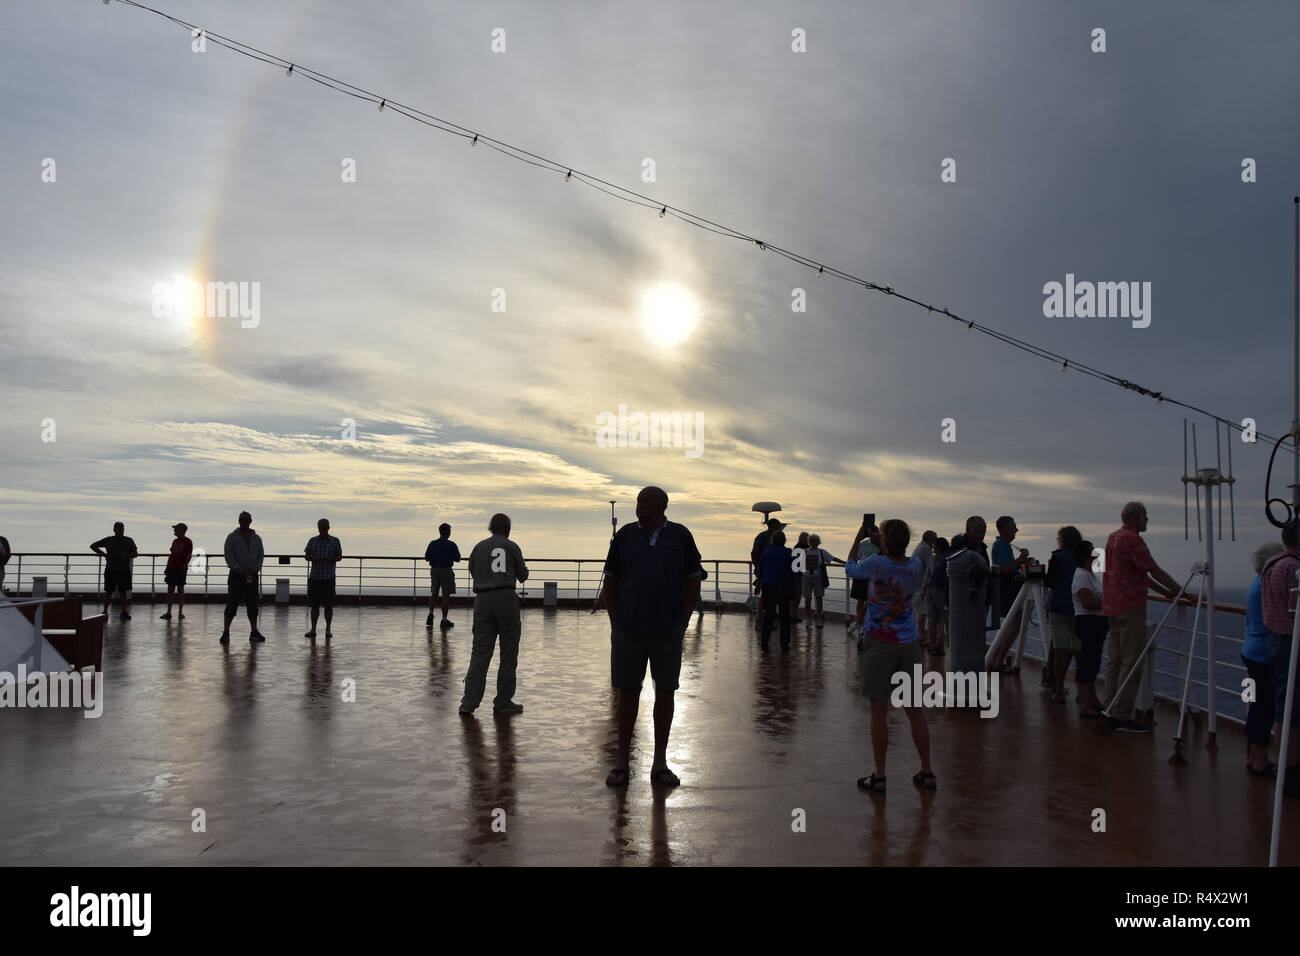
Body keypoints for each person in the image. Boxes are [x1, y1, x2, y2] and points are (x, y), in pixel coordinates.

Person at [599, 486, 702, 787]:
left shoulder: (681, 536)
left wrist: (682, 623)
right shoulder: (625, 537)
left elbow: (693, 581)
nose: (639, 506)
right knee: (626, 696)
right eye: (638, 502)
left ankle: (659, 763)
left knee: (665, 694)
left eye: (646, 502)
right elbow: (611, 582)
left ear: (662, 506)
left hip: (666, 633)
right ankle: (621, 762)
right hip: (628, 632)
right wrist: (616, 623)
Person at [845, 519, 935, 793]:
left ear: (882, 541)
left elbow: (851, 568)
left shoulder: (875, 564)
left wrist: (859, 537)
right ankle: (927, 771)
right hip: (908, 642)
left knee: (878, 709)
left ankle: (880, 776)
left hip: (879, 641)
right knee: (914, 709)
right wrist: (882, 545)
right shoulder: (915, 566)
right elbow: (896, 562)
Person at [1100, 501, 1183, 733]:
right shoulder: (1133, 540)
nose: (1147, 520)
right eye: (1145, 516)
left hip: (1112, 606)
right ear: (1135, 518)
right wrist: (1180, 591)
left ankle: (1108, 707)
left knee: (1115, 661)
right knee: (1132, 662)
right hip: (1130, 606)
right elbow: (1152, 570)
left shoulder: (1113, 537)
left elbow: (1138, 573)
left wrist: (1168, 592)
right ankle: (1121, 715)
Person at [459, 513, 529, 717]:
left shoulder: (479, 547)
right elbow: (523, 576)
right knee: (508, 653)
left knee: (480, 652)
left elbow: (472, 570)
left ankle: (468, 703)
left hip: (482, 600)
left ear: (490, 528)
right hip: (506, 599)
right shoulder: (512, 547)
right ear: (508, 529)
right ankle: (503, 701)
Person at [1261, 521, 1300, 795]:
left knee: (1282, 702)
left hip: (1274, 640)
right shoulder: (1294, 568)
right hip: (1291, 643)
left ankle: (1286, 766)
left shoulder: (1270, 564)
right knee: (1292, 707)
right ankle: (1291, 772)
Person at [1245, 541, 1282, 775]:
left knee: (1257, 706)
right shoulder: (1266, 586)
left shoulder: (1256, 583)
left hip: (1252, 650)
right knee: (1264, 708)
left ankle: (1253, 757)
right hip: (1264, 654)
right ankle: (1260, 761)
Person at [1070, 539, 1108, 718]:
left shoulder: (1089, 574)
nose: (1096, 555)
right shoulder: (1081, 576)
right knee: (1087, 663)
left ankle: (1092, 700)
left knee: (1092, 663)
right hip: (1088, 623)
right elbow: (1088, 603)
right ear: (1086, 556)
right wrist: (1109, 603)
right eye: (1093, 552)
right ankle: (1087, 704)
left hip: (1095, 623)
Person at [990, 516, 1032, 677]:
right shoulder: (1000, 545)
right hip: (1006, 589)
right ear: (1006, 528)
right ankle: (998, 660)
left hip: (1009, 589)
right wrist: (1021, 560)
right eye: (1014, 526)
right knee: (1015, 624)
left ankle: (996, 657)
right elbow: (1004, 569)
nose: (1016, 530)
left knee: (1011, 625)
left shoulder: (1004, 545)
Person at [1045, 525, 1082, 701]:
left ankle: (1059, 689)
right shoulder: (1085, 558)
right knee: (1079, 650)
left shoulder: (1057, 557)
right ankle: (1083, 691)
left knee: (1061, 650)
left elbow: (1050, 582)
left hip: (1059, 606)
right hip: (1081, 608)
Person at [222, 511, 266, 645]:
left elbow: (261, 555)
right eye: (242, 520)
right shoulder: (232, 537)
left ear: (250, 521)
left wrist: (255, 569)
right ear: (239, 521)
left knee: (253, 604)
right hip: (237, 575)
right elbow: (229, 556)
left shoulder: (257, 538)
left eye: (246, 520)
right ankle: (226, 632)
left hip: (252, 575)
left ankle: (254, 631)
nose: (244, 522)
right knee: (232, 603)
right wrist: (239, 570)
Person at [304, 518, 343, 641]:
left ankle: (328, 629)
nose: (323, 529)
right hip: (315, 577)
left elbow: (339, 556)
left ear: (328, 528)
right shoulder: (312, 541)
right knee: (314, 605)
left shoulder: (335, 541)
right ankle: (313, 629)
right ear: (318, 528)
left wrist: (332, 559)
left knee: (328, 605)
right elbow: (306, 556)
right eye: (321, 527)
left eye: (325, 527)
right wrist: (312, 558)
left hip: (328, 577)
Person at [91, 522, 139, 620]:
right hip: (112, 569)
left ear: (123, 530)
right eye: (118, 529)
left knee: (122, 591)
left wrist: (128, 555)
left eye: (121, 529)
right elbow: (93, 546)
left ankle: (123, 611)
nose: (120, 531)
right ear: (114, 529)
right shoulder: (109, 540)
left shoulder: (128, 540)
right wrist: (104, 555)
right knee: (109, 591)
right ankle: (105, 611)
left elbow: (135, 553)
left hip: (121, 569)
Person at [758, 530, 795, 651]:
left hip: (768, 586)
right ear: (784, 540)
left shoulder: (766, 551)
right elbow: (791, 571)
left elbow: (760, 570)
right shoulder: (788, 552)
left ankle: (764, 642)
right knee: (784, 616)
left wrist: (759, 583)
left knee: (769, 615)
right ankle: (785, 644)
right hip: (783, 586)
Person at [424, 523, 462, 629]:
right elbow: (458, 558)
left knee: (434, 593)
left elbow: (427, 557)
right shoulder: (451, 544)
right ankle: (444, 620)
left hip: (434, 570)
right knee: (445, 595)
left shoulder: (432, 543)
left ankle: (430, 614)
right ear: (448, 532)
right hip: (446, 570)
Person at [847, 519, 880, 639]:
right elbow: (856, 557)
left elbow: (851, 561)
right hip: (862, 574)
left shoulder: (881, 546)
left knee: (869, 601)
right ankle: (859, 624)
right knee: (861, 600)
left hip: (874, 576)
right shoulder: (864, 544)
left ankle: (859, 623)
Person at [802, 534, 844, 626]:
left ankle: (818, 619)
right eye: (811, 541)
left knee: (819, 598)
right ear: (809, 542)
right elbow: (797, 563)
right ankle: (809, 618)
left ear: (818, 543)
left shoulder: (822, 552)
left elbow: (833, 558)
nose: (813, 543)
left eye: (815, 541)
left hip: (818, 577)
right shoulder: (804, 552)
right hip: (806, 577)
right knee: (807, 599)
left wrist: (845, 562)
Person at [751, 517, 784, 631]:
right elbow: (754, 553)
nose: (780, 529)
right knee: (764, 597)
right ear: (771, 527)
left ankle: (770, 620)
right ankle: (759, 620)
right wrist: (757, 568)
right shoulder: (761, 537)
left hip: (775, 573)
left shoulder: (777, 538)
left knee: (773, 597)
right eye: (778, 527)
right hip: (765, 572)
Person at [160, 523, 194, 620]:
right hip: (172, 568)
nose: (174, 531)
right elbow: (172, 555)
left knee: (180, 589)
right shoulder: (175, 541)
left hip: (180, 569)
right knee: (170, 590)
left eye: (176, 529)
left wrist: (185, 565)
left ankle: (180, 612)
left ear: (182, 530)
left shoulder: (188, 541)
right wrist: (167, 567)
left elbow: (189, 554)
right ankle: (169, 612)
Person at [924, 536, 950, 654]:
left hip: (930, 587)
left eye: (934, 547)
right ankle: (939, 644)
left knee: (932, 617)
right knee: (941, 617)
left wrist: (924, 589)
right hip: (939, 589)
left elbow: (927, 575)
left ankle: (932, 643)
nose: (933, 550)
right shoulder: (947, 559)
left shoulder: (933, 559)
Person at [911, 531, 937, 643]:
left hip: (914, 585)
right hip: (920, 586)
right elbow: (931, 566)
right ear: (931, 540)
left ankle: (918, 634)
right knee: (923, 611)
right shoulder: (926, 549)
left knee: (918, 611)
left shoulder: (920, 547)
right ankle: (921, 636)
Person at [790, 531, 811, 622]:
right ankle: (793, 615)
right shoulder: (803, 548)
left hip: (796, 575)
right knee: (796, 596)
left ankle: (793, 615)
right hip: (798, 576)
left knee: (796, 596)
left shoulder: (797, 547)